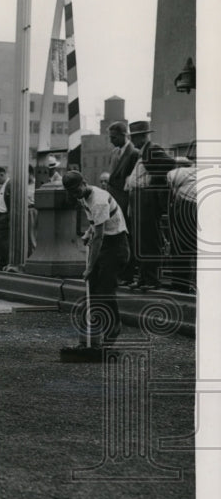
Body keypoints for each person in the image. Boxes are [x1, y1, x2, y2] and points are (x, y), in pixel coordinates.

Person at [62, 170, 129, 346]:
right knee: (92, 291)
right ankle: (91, 338)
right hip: (105, 242)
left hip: (116, 245)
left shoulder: (98, 200)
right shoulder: (83, 197)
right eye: (71, 192)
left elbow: (99, 237)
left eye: (76, 190)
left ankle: (113, 328)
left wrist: (90, 267)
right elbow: (95, 226)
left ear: (84, 182)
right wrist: (87, 233)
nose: (75, 195)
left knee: (105, 291)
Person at [125, 120, 175, 290]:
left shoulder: (152, 149)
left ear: (141, 137)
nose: (132, 141)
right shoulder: (143, 152)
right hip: (139, 197)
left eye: (134, 137)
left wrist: (154, 181)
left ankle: (152, 279)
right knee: (141, 240)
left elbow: (169, 164)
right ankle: (144, 278)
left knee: (148, 240)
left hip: (145, 198)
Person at [107, 120, 140, 284]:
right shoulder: (114, 153)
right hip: (114, 200)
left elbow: (130, 181)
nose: (111, 140)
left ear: (123, 135)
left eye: (113, 137)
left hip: (125, 201)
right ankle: (120, 272)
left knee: (127, 237)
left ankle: (127, 273)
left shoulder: (134, 153)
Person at [166, 158, 196, 294]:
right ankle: (186, 283)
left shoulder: (178, 173)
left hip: (183, 206)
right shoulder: (196, 174)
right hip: (194, 207)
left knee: (179, 247)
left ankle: (180, 283)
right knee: (189, 247)